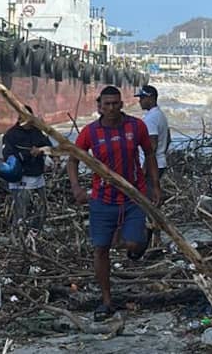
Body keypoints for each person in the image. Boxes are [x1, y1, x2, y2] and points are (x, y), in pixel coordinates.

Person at [67, 85, 162, 320]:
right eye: (106, 104)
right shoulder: (90, 132)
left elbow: (150, 154)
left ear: (121, 104)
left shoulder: (136, 126)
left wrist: (155, 185)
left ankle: (140, 238)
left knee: (133, 244)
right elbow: (73, 159)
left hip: (133, 196)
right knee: (101, 249)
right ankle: (106, 301)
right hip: (102, 199)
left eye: (115, 103)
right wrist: (76, 187)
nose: (111, 108)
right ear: (99, 107)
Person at [1, 105, 53, 234]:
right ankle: (18, 237)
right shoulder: (11, 135)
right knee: (21, 212)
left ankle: (36, 234)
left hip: (37, 177)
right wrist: (28, 154)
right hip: (22, 179)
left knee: (42, 208)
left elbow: (49, 147)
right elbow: (8, 157)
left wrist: (42, 151)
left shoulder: (37, 132)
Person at [134, 85, 171, 178]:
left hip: (151, 166)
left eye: (142, 98)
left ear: (151, 98)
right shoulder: (160, 115)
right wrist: (161, 154)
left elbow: (152, 146)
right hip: (160, 163)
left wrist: (145, 168)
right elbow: (168, 139)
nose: (140, 101)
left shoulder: (151, 118)